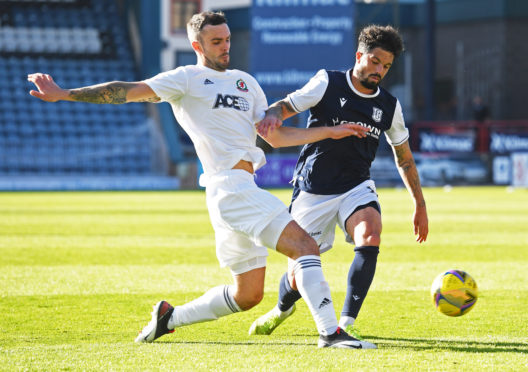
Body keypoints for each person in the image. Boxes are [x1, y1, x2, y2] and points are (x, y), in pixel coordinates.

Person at [27, 11, 375, 349]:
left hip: (239, 191)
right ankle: (331, 334)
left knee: (248, 295)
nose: (225, 46)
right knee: (305, 247)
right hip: (229, 188)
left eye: (227, 39)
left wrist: (331, 132)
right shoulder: (186, 79)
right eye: (216, 42)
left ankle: (169, 318)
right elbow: (125, 90)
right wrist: (66, 93)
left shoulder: (246, 82)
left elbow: (276, 137)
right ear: (198, 46)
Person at [248, 25, 429, 346]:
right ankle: (281, 308)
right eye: (374, 61)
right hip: (312, 188)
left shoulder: (389, 106)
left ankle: (346, 322)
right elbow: (284, 106)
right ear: (359, 55)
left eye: (386, 66)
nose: (379, 71)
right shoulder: (327, 82)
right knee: (297, 274)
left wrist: (420, 203)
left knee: (370, 233)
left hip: (356, 186)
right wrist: (274, 116)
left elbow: (404, 158)